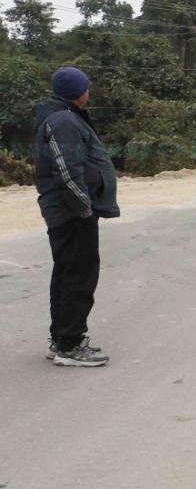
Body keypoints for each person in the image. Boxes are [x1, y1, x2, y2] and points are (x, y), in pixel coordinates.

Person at [34, 66, 117, 366]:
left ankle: (61, 340)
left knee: (68, 273)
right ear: (77, 92)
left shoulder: (64, 116)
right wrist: (84, 208)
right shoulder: (64, 120)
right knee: (79, 276)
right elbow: (67, 171)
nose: (88, 91)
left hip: (70, 211)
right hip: (71, 212)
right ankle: (70, 345)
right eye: (86, 87)